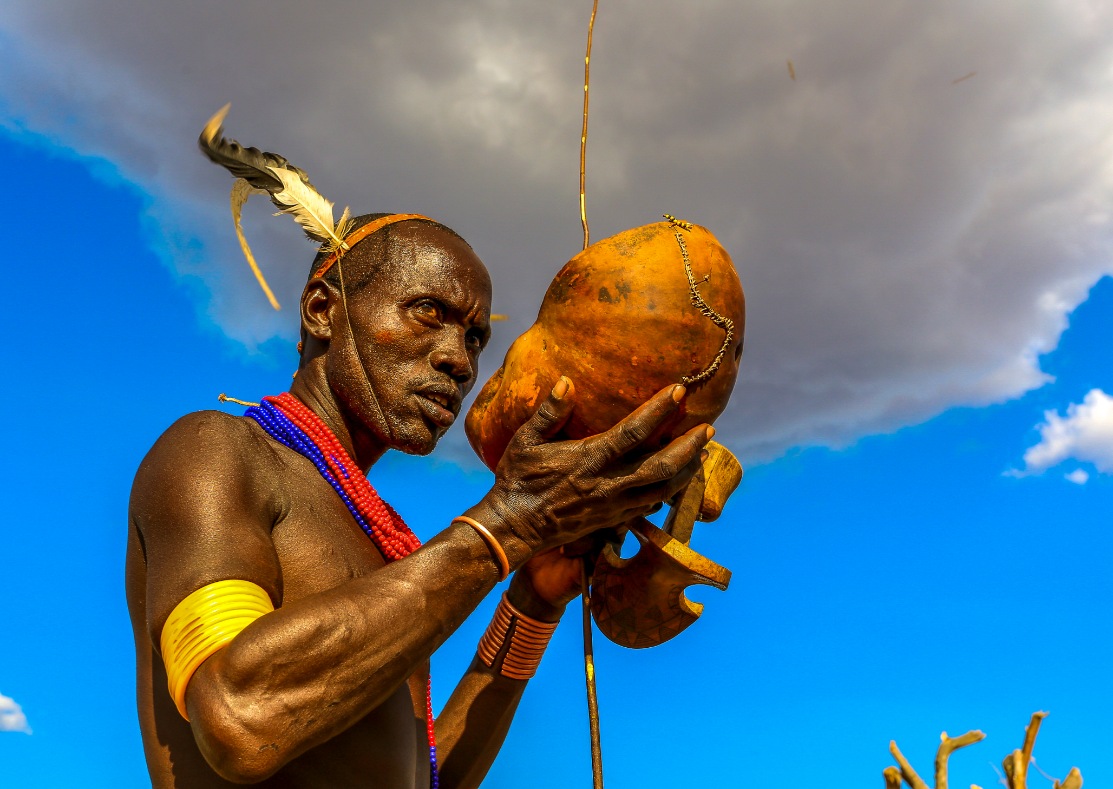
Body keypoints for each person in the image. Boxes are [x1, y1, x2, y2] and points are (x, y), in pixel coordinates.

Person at [125, 211, 714, 787]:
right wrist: (510, 525)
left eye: (476, 337)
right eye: (428, 312)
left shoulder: (381, 549)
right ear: (323, 310)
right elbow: (240, 716)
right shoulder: (214, 452)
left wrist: (534, 596)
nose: (459, 360)